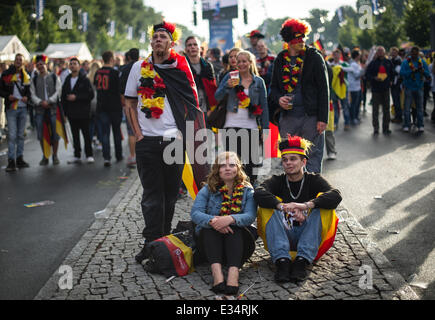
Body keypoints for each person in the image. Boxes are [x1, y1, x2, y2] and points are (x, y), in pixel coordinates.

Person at [124, 21, 207, 263]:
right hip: (147, 141)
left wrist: (188, 136)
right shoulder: (139, 68)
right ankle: (150, 242)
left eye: (163, 36)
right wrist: (138, 134)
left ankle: (164, 238)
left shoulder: (181, 70)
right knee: (151, 195)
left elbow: (192, 104)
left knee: (170, 194)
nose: (158, 39)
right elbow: (129, 103)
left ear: (172, 43)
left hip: (173, 141)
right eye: (155, 36)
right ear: (151, 42)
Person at [254, 135, 342, 283]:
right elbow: (259, 192)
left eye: (293, 159)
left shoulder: (313, 179)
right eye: (285, 159)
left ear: (303, 161)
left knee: (324, 207)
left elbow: (336, 195)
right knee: (266, 206)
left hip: (308, 235)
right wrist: (282, 207)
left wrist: (306, 206)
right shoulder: (278, 180)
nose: (288, 163)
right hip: (283, 234)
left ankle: (302, 261)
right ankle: (282, 261)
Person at [190, 151, 257, 296]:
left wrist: (231, 219)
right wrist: (213, 221)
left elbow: (250, 216)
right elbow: (195, 213)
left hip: (240, 242)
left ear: (238, 168)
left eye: (232, 165)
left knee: (236, 228)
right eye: (223, 165)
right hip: (209, 240)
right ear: (217, 169)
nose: (227, 168)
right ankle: (217, 274)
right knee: (210, 228)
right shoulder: (207, 189)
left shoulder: (247, 190)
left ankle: (234, 273)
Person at [269, 18, 329, 174]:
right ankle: (294, 192)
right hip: (288, 118)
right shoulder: (280, 59)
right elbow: (273, 88)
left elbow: (324, 88)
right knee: (290, 157)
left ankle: (314, 193)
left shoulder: (314, 57)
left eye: (303, 37)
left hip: (311, 117)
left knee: (313, 156)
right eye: (297, 37)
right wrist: (279, 99)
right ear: (288, 41)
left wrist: (323, 118)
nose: (301, 41)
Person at [215, 50, 269, 185]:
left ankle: (250, 192)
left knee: (251, 164)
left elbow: (264, 107)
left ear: (250, 63)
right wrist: (227, 86)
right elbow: (217, 97)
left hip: (251, 126)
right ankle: (233, 195)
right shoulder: (230, 77)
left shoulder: (258, 82)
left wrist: (265, 129)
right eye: (239, 61)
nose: (241, 64)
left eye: (244, 61)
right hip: (231, 125)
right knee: (232, 164)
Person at [0, 54, 31, 172]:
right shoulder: (7, 74)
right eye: (17, 60)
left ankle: (20, 158)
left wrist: (27, 97)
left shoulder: (26, 75)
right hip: (11, 108)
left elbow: (29, 91)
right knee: (12, 135)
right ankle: (11, 161)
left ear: (23, 63)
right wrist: (8, 96)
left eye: (20, 60)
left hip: (23, 108)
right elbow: (1, 90)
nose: (18, 62)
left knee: (20, 135)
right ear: (14, 61)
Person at [30, 55, 62, 165]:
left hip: (53, 110)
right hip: (40, 111)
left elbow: (58, 91)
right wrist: (40, 102)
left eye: (42, 64)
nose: (40, 66)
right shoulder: (34, 79)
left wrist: (49, 101)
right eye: (38, 65)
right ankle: (45, 156)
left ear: (46, 64)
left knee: (55, 134)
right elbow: (32, 94)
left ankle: (55, 155)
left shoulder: (54, 77)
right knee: (41, 134)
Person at [61, 57, 95, 164]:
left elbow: (90, 94)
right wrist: (64, 113)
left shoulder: (84, 79)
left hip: (83, 112)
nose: (72, 65)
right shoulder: (67, 79)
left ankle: (89, 154)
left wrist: (76, 97)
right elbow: (63, 97)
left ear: (79, 66)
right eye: (71, 64)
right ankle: (77, 155)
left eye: (75, 64)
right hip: (71, 113)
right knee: (75, 135)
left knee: (86, 134)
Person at [94, 51, 124, 166]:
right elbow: (119, 90)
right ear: (111, 59)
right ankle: (118, 154)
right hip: (114, 106)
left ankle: (106, 157)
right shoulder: (115, 73)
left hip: (102, 106)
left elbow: (96, 86)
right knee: (116, 131)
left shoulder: (98, 72)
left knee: (105, 133)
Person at [184, 36, 218, 122]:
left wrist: (212, 109)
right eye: (189, 45)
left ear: (200, 48)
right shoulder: (183, 66)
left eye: (195, 44)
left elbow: (212, 88)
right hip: (189, 111)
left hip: (207, 110)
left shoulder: (207, 66)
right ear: (186, 49)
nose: (192, 47)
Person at [400, 46, 430, 133]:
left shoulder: (422, 62)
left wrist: (422, 71)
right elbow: (402, 73)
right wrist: (412, 71)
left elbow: (428, 74)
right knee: (407, 107)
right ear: (411, 53)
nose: (415, 55)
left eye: (416, 53)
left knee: (420, 108)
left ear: (418, 53)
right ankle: (407, 125)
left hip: (419, 87)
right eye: (413, 53)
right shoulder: (406, 62)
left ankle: (420, 125)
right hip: (409, 87)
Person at [366, 46, 395, 135]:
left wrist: (391, 81)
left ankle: (386, 128)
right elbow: (368, 74)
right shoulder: (373, 63)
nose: (380, 53)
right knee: (375, 110)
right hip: (376, 90)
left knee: (386, 109)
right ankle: (376, 128)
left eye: (381, 51)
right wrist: (374, 78)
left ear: (384, 52)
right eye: (378, 51)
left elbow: (392, 73)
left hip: (385, 89)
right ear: (376, 53)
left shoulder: (388, 62)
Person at [120, 48, 140, 167]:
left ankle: (133, 156)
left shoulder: (125, 69)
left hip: (129, 104)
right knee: (141, 131)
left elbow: (121, 89)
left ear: (128, 57)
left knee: (131, 132)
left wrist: (124, 104)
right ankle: (140, 155)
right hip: (142, 104)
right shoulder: (142, 67)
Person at [329, 48, 352, 130]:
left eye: (337, 54)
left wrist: (340, 68)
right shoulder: (330, 64)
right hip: (334, 89)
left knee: (345, 106)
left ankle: (347, 123)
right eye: (334, 54)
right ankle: (335, 123)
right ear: (333, 55)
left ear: (340, 55)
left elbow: (351, 69)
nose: (336, 56)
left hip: (343, 88)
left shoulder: (344, 64)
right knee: (335, 107)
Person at [347, 49, 365, 125]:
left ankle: (356, 117)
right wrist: (363, 70)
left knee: (357, 103)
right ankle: (353, 118)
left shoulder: (356, 63)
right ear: (357, 56)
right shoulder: (353, 64)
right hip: (353, 88)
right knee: (354, 104)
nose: (360, 57)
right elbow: (356, 75)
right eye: (359, 55)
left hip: (357, 87)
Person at [390, 47, 403, 124]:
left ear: (397, 53)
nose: (393, 53)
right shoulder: (392, 60)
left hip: (396, 83)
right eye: (392, 52)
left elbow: (397, 71)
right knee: (395, 100)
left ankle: (399, 117)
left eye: (394, 52)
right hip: (393, 83)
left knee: (397, 100)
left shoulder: (398, 60)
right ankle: (397, 116)